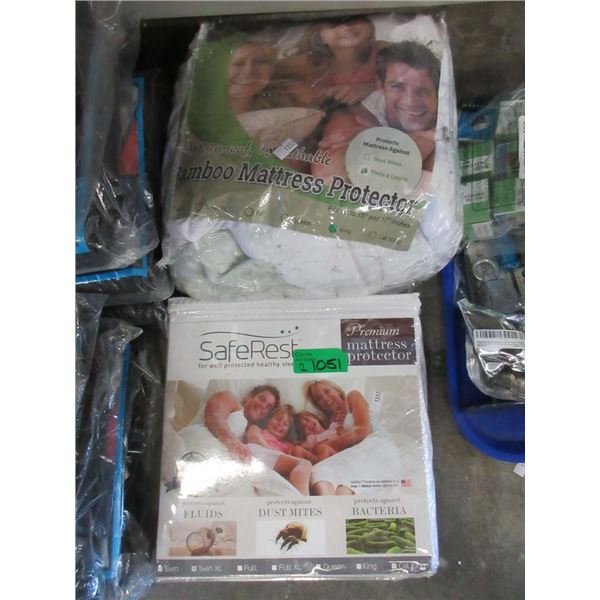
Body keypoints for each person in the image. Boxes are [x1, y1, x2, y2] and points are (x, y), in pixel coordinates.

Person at [311, 40, 440, 182]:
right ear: (381, 86)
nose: (411, 101)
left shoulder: (446, 110)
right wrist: (405, 146)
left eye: (423, 90)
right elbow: (328, 173)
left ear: (438, 91)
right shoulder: (356, 116)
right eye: (398, 87)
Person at [279, 16, 384, 110]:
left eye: (354, 18)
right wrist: (319, 96)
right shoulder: (312, 61)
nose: (345, 27)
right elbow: (274, 76)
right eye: (332, 23)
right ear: (319, 34)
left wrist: (372, 91)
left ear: (370, 26)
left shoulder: (384, 51)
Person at [304, 380, 372, 495]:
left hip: (372, 448)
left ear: (337, 390)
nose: (325, 398)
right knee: (338, 491)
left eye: (327, 391)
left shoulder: (353, 396)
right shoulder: (333, 424)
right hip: (352, 459)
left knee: (321, 462)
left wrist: (327, 444)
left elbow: (363, 430)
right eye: (319, 399)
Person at [244, 405, 313, 495]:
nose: (280, 424)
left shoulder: (287, 446)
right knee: (305, 464)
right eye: (278, 419)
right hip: (255, 454)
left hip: (272, 469)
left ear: (288, 431)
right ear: (269, 419)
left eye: (285, 424)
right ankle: (304, 500)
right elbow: (253, 438)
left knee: (305, 465)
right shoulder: (257, 429)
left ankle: (300, 498)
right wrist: (270, 450)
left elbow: (292, 468)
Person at [203, 384, 280, 462]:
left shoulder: (253, 433)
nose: (263, 406)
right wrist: (231, 441)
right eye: (262, 399)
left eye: (268, 407)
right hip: (203, 447)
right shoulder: (231, 399)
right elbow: (214, 416)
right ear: (249, 397)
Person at [227, 40, 278, 115]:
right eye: (238, 63)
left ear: (272, 69)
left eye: (260, 62)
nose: (248, 72)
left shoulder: (280, 111)